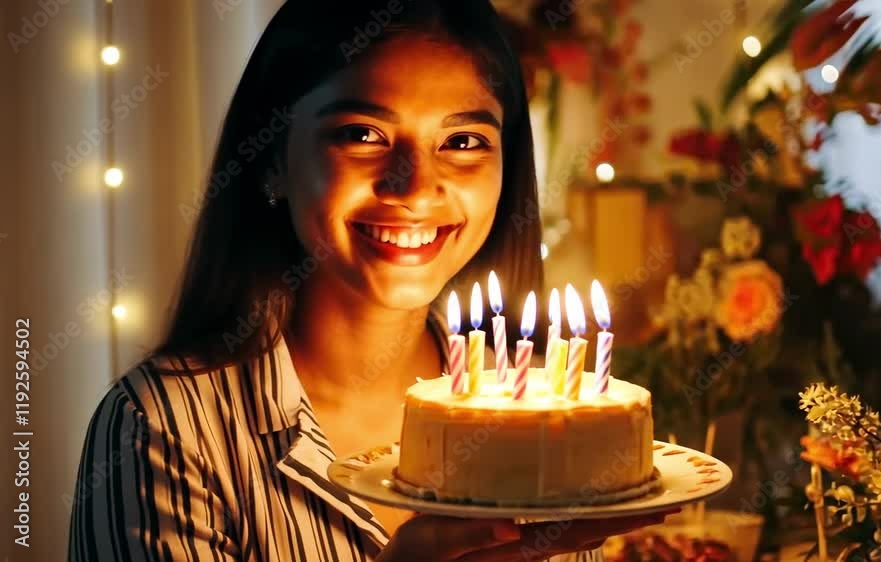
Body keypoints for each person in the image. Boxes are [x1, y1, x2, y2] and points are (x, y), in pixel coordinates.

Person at [67, 1, 675, 560]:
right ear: (274, 158)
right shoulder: (163, 430)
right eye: (363, 135)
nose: (413, 186)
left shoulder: (544, 417)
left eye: (462, 141)